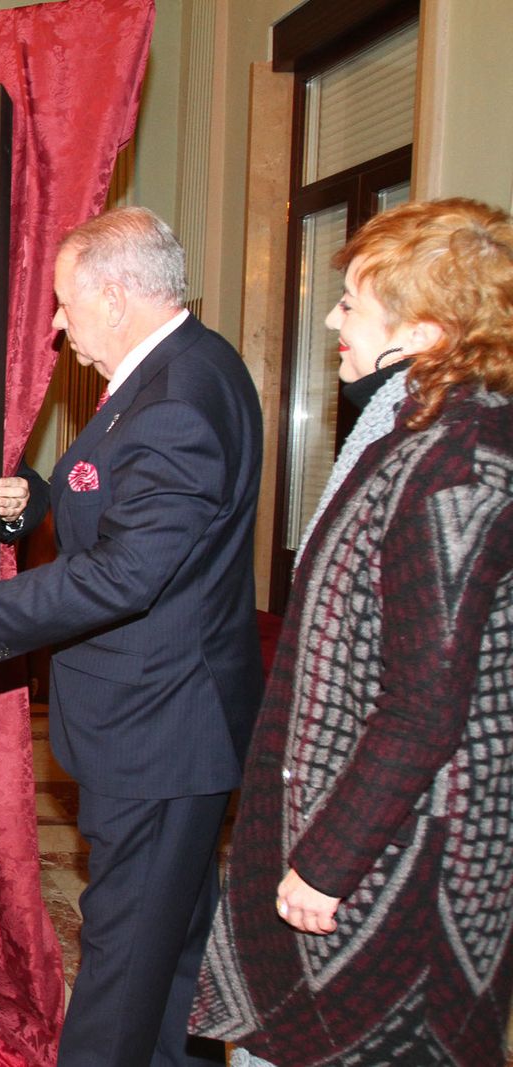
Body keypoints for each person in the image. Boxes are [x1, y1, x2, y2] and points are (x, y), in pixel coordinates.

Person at [0, 206, 263, 1067]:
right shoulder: (181, 366)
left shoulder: (175, 399)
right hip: (164, 715)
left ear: (114, 296)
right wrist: (36, 498)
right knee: (167, 950)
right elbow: (122, 506)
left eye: (65, 303)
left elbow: (128, 571)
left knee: (124, 958)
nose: (58, 326)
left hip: (161, 724)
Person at [191, 199, 513, 1066]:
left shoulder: (457, 468)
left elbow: (424, 706)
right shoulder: (425, 436)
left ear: (426, 332)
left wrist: (329, 860)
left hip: (405, 862)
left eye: (351, 304)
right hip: (363, 832)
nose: (333, 321)